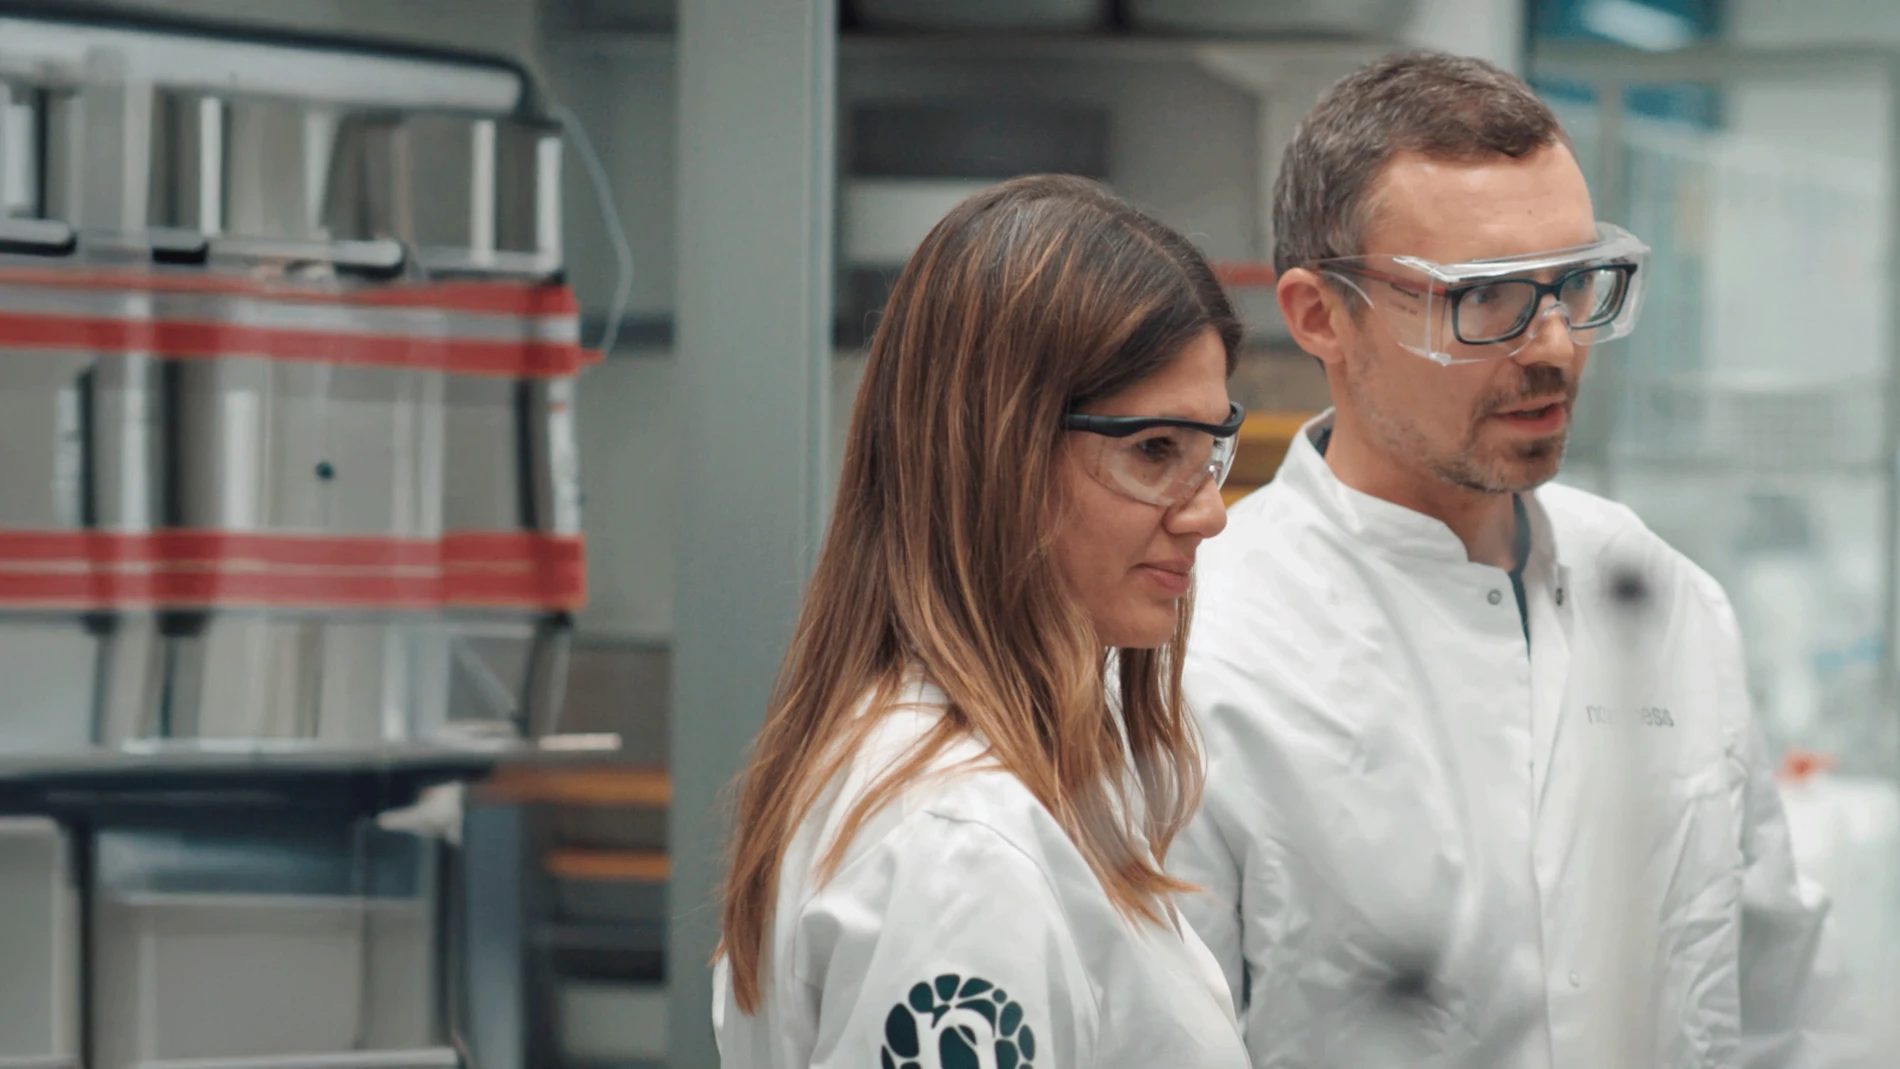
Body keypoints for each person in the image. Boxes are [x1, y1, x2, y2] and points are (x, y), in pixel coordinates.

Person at [1170, 51, 1856, 1068]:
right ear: (1320, 316)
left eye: (1575, 283)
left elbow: (1770, 1003)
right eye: (1484, 298)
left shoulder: (1662, 597)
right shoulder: (1199, 651)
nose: (1553, 347)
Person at [713, 174, 1252, 1069]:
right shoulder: (958, 851)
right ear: (996, 452)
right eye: (1156, 451)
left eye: (1209, 454)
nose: (1208, 513)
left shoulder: (999, 786)